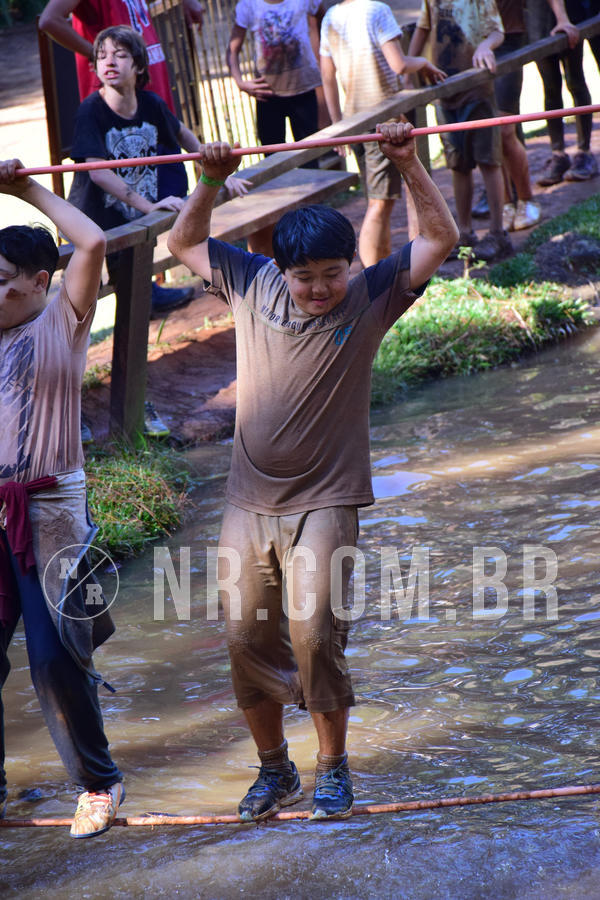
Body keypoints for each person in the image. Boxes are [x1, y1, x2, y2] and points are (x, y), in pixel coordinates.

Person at [166, 122, 458, 821]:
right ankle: (275, 771)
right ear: (281, 270)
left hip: (328, 500)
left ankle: (333, 766)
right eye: (306, 277)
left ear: (351, 269)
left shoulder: (372, 295)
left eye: (333, 273)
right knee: (242, 639)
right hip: (247, 501)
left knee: (314, 633)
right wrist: (208, 179)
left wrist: (408, 163)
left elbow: (440, 238)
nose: (321, 288)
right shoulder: (248, 279)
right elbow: (182, 243)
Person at [0, 157, 123, 837]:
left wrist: (26, 190)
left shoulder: (60, 326)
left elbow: (94, 242)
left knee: (53, 657)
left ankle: (99, 784)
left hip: (49, 513)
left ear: (38, 284)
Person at [319, 0, 446, 266]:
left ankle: (384, 269)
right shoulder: (377, 10)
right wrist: (422, 61)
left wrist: (337, 124)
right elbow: (398, 64)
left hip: (354, 120)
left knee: (379, 200)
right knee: (379, 204)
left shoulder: (331, 16)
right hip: (383, 120)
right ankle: (371, 276)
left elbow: (327, 76)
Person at [409, 0, 513, 263]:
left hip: (477, 91)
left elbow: (497, 30)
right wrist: (410, 69)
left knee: (489, 161)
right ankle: (465, 232)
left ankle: (497, 232)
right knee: (458, 164)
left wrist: (485, 46)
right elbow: (423, 28)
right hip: (445, 92)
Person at [39, 0, 204, 108]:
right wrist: (99, 56)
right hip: (120, 107)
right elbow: (50, 20)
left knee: (166, 148)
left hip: (151, 93)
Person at [529, 0, 598, 185]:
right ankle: (558, 154)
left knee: (575, 81)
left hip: (568, 17)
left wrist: (562, 18)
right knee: (550, 87)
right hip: (537, 22)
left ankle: (584, 152)